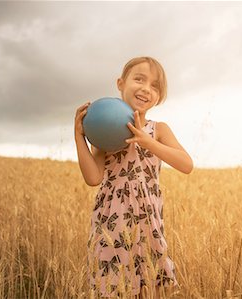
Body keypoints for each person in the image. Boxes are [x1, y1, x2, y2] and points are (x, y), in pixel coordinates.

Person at [74, 56, 193, 298]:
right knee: (113, 286)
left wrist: (147, 141)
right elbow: (93, 178)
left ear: (159, 97)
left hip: (147, 223)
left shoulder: (158, 129)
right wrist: (80, 137)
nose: (146, 88)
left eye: (155, 85)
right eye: (139, 79)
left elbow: (186, 164)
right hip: (112, 225)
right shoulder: (107, 129)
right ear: (121, 83)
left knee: (153, 286)